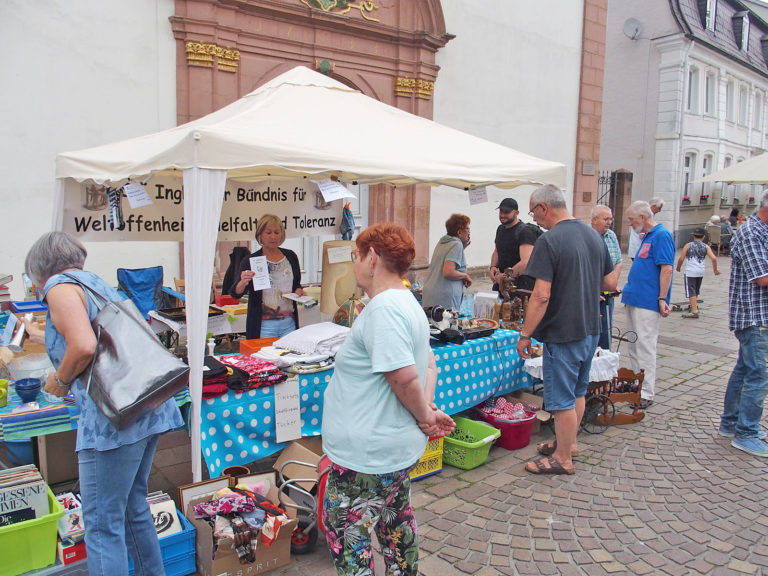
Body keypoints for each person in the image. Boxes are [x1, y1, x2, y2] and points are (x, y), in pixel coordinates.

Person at [21, 231, 183, 576]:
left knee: (101, 523)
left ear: (40, 271)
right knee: (131, 508)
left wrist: (58, 381)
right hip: (144, 405)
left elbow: (82, 345)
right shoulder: (91, 282)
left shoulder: (58, 287)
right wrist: (40, 336)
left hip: (114, 421)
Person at [321, 222, 455, 575]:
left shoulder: (384, 309)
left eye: (356, 255)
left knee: (349, 534)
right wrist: (424, 414)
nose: (355, 263)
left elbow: (405, 375)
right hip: (388, 448)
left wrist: (425, 415)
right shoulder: (405, 301)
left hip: (368, 454)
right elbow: (427, 365)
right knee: (394, 522)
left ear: (373, 258)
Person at [516, 185, 616, 475]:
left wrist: (525, 334)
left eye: (534, 212)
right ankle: (568, 444)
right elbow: (609, 283)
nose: (534, 219)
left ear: (544, 208)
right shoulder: (592, 235)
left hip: (563, 330)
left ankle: (563, 458)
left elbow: (541, 295)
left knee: (561, 401)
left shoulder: (550, 240)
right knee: (577, 393)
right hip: (590, 327)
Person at [719, 190, 768, 457]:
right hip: (754, 316)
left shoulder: (761, 232)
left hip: (759, 316)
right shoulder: (751, 233)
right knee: (758, 375)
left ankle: (730, 423)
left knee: (745, 370)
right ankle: (746, 432)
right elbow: (761, 277)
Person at [621, 200, 675, 408]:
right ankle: (638, 384)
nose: (629, 224)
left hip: (647, 300)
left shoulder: (661, 235)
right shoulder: (647, 236)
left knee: (645, 346)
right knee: (634, 345)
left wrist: (662, 298)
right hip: (635, 297)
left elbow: (667, 269)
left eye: (631, 220)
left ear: (643, 218)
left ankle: (646, 392)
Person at [229, 214, 305, 339]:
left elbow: (296, 284)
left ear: (282, 234)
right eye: (268, 232)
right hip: (263, 326)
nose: (273, 236)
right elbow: (235, 293)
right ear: (260, 235)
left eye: (276, 232)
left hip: (289, 322)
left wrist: (299, 291)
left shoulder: (291, 256)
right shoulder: (251, 260)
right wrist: (243, 282)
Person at [421, 213, 472, 310]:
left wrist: (462, 249)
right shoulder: (456, 244)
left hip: (431, 294)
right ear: (459, 232)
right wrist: (465, 276)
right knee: (446, 324)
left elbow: (447, 260)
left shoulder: (443, 242)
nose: (469, 233)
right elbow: (448, 272)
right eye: (467, 229)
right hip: (444, 298)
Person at [591, 205, 623, 350]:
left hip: (607, 293)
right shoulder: (587, 235)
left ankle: (606, 358)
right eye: (606, 219)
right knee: (592, 332)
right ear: (594, 219)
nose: (609, 222)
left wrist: (611, 284)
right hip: (591, 293)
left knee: (606, 330)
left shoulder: (611, 235)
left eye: (610, 219)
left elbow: (618, 262)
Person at [490, 198, 538, 292]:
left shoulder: (525, 232)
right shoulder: (500, 229)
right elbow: (497, 250)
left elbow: (526, 262)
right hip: (503, 285)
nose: (503, 215)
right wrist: (493, 267)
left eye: (507, 212)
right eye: (501, 211)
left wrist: (505, 276)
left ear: (516, 213)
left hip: (521, 286)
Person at [676, 227, 720, 319]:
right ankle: (693, 306)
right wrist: (715, 270)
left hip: (690, 271)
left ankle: (694, 311)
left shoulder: (688, 245)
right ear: (703, 237)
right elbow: (714, 258)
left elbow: (681, 258)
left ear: (693, 236)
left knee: (691, 290)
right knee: (696, 289)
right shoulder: (706, 246)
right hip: (700, 271)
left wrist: (678, 267)